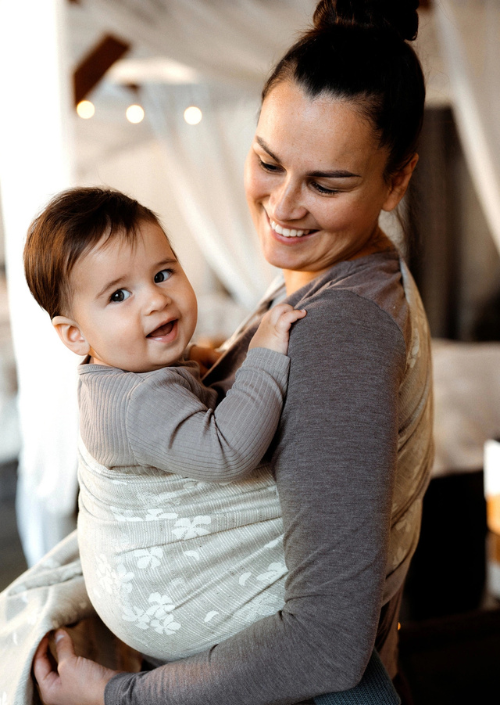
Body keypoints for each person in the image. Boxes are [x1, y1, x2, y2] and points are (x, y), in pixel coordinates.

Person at [31, 0, 433, 703]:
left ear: (396, 179)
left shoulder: (341, 326)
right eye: (268, 161)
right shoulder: (325, 279)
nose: (283, 205)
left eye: (326, 182)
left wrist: (114, 697)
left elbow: (324, 640)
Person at [23, 186, 306, 662]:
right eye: (118, 295)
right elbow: (227, 452)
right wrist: (262, 355)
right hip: (174, 602)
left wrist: (203, 355)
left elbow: (181, 385)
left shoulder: (121, 373)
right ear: (74, 335)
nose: (155, 300)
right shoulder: (137, 403)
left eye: (162, 273)